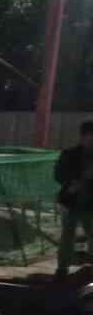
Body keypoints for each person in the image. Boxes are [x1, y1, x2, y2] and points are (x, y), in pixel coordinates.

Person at [55, 120, 93, 280]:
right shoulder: (69, 154)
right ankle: (63, 267)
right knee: (67, 235)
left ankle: (90, 263)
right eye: (90, 137)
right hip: (71, 202)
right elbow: (58, 174)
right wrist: (71, 183)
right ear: (82, 137)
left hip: (90, 203)